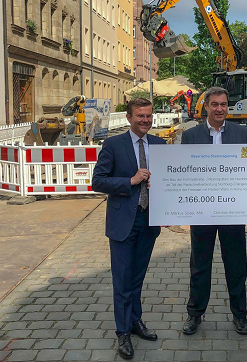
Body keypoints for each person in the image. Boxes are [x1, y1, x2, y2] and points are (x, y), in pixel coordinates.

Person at [92, 98, 166, 359]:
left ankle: (135, 322)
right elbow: (98, 181)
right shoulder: (113, 144)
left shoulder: (159, 144)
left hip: (149, 221)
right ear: (129, 117)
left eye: (149, 116)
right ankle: (122, 332)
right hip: (123, 221)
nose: (145, 120)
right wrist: (130, 181)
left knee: (137, 277)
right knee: (122, 280)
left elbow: (169, 181)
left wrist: (169, 209)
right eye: (140, 116)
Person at [181, 87, 247, 335]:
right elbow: (183, 171)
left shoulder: (242, 133)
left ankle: (240, 315)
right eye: (215, 105)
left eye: (223, 104)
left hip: (233, 210)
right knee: (199, 264)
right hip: (202, 210)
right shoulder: (190, 136)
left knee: (236, 264)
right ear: (206, 107)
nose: (220, 109)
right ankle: (195, 314)